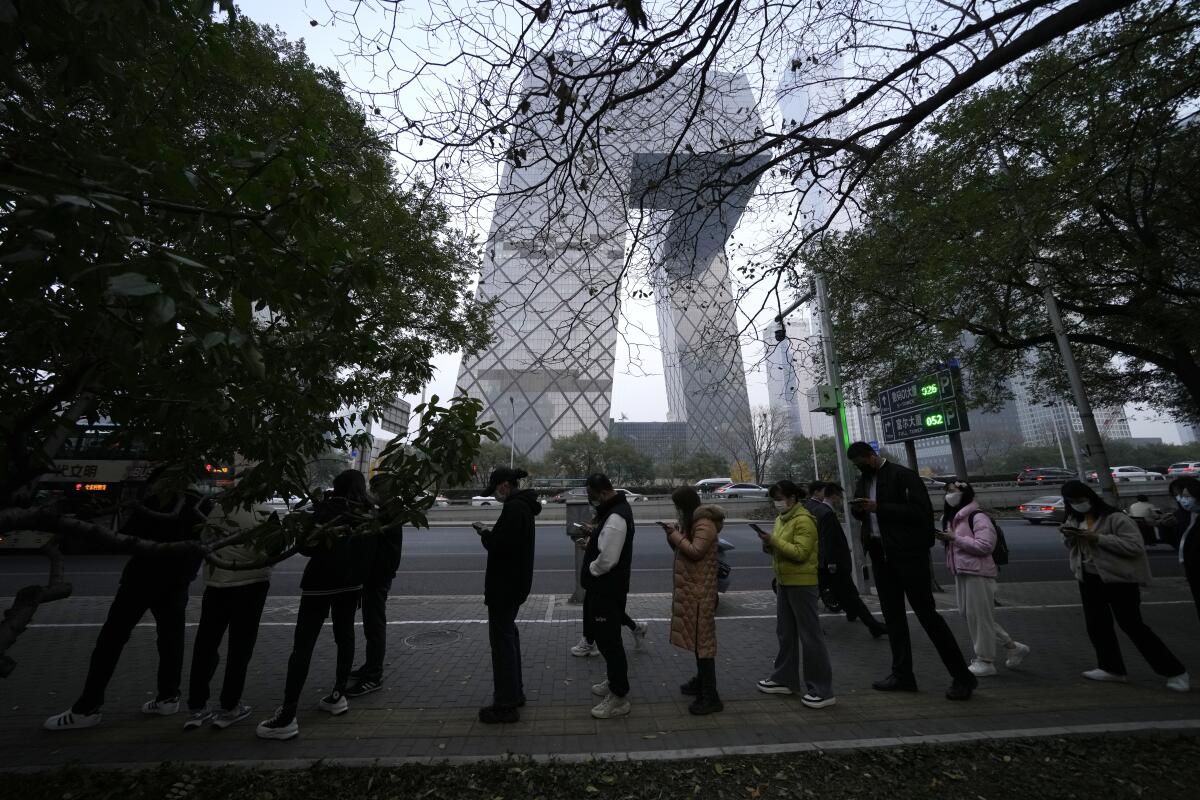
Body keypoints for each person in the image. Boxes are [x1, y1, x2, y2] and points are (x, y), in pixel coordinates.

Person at [45, 471, 211, 730]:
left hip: (141, 580)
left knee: (111, 640)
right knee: (171, 640)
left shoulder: (156, 501)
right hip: (177, 583)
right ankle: (168, 697)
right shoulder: (202, 504)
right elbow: (204, 542)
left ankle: (87, 707)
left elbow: (125, 538)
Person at [847, 441, 977, 701]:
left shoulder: (903, 476)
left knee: (928, 616)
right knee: (893, 618)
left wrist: (878, 507)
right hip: (880, 555)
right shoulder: (863, 481)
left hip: (908, 556)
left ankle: (963, 677)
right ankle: (902, 674)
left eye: (862, 462)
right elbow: (865, 517)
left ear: (872, 457)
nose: (860, 468)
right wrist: (859, 509)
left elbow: (921, 513)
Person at [256, 469, 378, 740]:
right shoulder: (369, 513)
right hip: (351, 586)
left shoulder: (327, 509)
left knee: (303, 645)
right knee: (345, 637)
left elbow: (307, 547)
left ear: (337, 486)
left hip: (319, 585)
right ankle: (338, 695)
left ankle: (288, 714)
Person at [1060, 479, 1188, 691]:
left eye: (1080, 499)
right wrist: (1070, 537)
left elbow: (1134, 547)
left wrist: (1098, 538)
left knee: (1132, 625)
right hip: (1089, 578)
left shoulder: (1115, 518)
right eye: (1071, 501)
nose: (1077, 504)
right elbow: (1076, 548)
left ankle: (1175, 671)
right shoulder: (1075, 518)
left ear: (1090, 496)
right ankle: (1111, 668)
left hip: (1119, 580)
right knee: (1097, 625)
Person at [183, 499, 273, 730]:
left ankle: (197, 707)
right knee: (240, 647)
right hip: (252, 584)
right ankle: (230, 706)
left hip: (217, 583)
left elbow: (204, 540)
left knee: (206, 644)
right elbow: (276, 546)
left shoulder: (217, 511)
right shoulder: (266, 512)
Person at [755, 480, 835, 708]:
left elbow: (800, 553)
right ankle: (784, 679)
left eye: (779, 498)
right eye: (774, 498)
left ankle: (822, 690)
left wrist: (774, 541)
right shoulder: (782, 519)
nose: (777, 503)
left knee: (810, 637)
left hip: (802, 583)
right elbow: (780, 547)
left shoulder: (804, 520)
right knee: (785, 633)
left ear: (792, 497)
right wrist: (768, 544)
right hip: (784, 581)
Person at [936, 480, 1030, 677]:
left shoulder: (978, 517)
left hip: (978, 573)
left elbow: (985, 546)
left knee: (979, 618)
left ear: (964, 493)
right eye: (947, 491)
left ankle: (985, 660)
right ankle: (1012, 646)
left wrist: (955, 539)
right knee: (972, 616)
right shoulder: (952, 518)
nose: (949, 495)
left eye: (953, 491)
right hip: (961, 571)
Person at [475, 467, 540, 724]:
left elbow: (500, 546)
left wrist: (485, 534)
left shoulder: (514, 509)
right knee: (508, 637)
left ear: (504, 486)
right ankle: (515, 693)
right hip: (516, 584)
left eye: (495, 490)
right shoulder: (524, 507)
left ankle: (505, 704)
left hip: (504, 586)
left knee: (502, 644)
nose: (496, 496)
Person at [661, 486, 725, 715]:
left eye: (678, 506)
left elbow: (696, 551)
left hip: (701, 593)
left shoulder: (704, 524)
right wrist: (673, 534)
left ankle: (711, 696)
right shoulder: (694, 523)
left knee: (704, 644)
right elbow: (682, 551)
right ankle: (701, 683)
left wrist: (676, 535)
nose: (677, 510)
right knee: (699, 642)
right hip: (694, 591)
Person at [580, 473, 635, 719]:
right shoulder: (615, 512)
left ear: (602, 492)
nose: (592, 502)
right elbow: (606, 545)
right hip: (606, 588)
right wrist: (592, 543)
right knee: (605, 639)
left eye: (592, 497)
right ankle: (613, 682)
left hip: (606, 587)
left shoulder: (615, 516)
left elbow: (608, 559)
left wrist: (592, 569)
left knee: (610, 642)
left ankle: (619, 696)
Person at [807, 481, 887, 638]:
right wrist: (832, 563)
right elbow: (828, 540)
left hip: (824, 563)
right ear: (833, 495)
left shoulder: (815, 509)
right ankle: (873, 625)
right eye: (838, 497)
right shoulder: (827, 513)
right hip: (833, 565)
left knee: (825, 594)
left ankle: (866, 621)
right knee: (850, 596)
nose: (839, 500)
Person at [346, 493, 403, 698]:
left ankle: (373, 675)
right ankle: (370, 667)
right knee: (373, 625)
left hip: (377, 577)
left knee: (374, 625)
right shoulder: (389, 514)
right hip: (378, 576)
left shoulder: (387, 516)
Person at [1160, 477, 1200, 624]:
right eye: (1177, 495)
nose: (1181, 499)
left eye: (1184, 495)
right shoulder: (1180, 515)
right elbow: (1174, 541)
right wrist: (1165, 527)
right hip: (1192, 570)